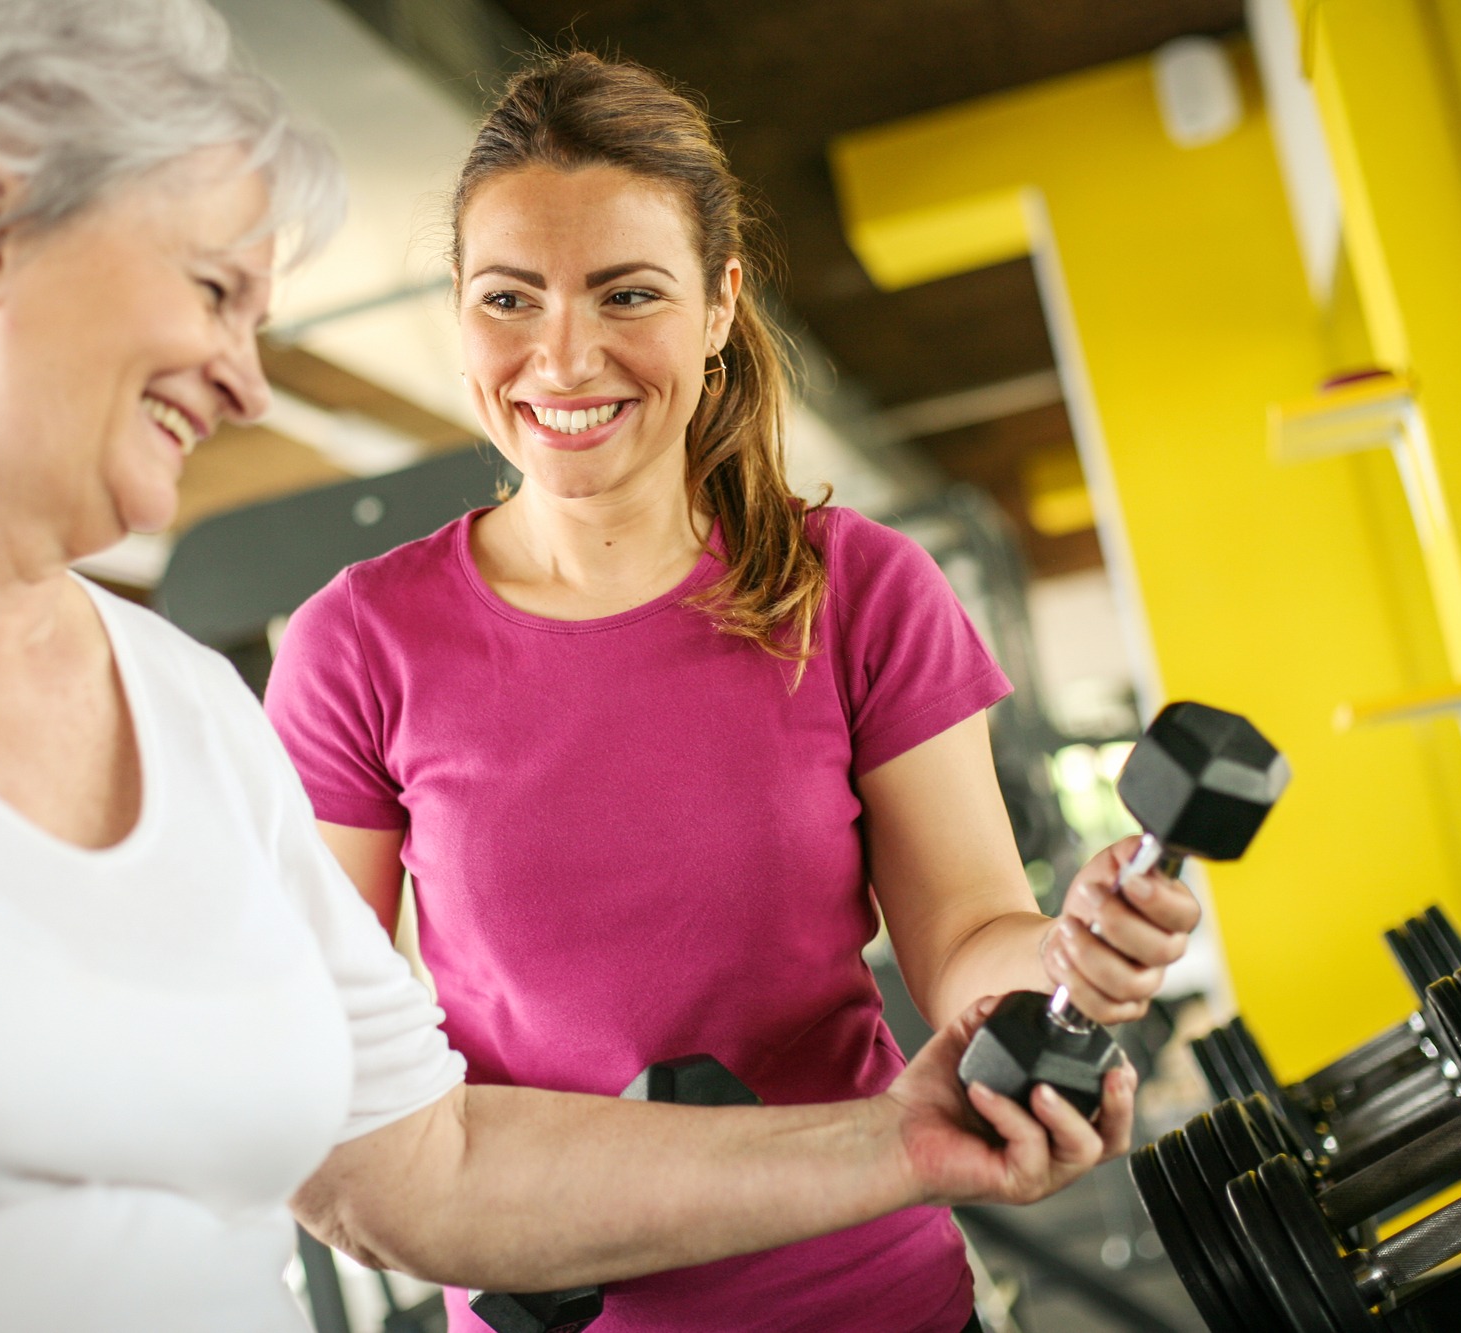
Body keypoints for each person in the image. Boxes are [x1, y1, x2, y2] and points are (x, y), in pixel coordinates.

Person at [0, 6, 1128, 1332]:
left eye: (263, 314)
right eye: (215, 291)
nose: (254, 379)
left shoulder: (180, 706)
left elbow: (408, 1164)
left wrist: (943, 1103)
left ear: (722, 307)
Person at [266, 51, 1203, 1333]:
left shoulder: (859, 589)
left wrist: (1067, 949)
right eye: (508, 298)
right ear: (459, 310)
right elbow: (334, 1065)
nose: (563, 354)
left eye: (627, 292)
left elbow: (967, 938)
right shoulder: (355, 646)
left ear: (718, 306)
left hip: (866, 1296)